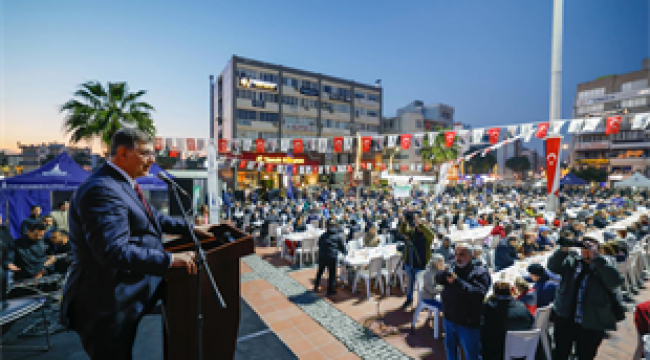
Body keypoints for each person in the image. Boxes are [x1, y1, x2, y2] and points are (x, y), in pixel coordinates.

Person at [60, 128, 201, 360]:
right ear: (123, 153)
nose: (152, 160)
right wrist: (170, 259)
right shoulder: (102, 189)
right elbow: (113, 251)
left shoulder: (123, 183)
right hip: (105, 302)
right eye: (146, 153)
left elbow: (153, 218)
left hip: (121, 296)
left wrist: (192, 229)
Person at [547, 232, 624, 360]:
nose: (585, 251)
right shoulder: (573, 261)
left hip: (592, 320)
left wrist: (596, 259)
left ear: (599, 248)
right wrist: (563, 250)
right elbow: (553, 267)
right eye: (583, 247)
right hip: (566, 318)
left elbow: (615, 281)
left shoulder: (605, 264)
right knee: (560, 353)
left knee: (586, 355)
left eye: (590, 247)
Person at [436, 243, 491, 360]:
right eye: (456, 254)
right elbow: (439, 279)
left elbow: (478, 295)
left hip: (467, 323)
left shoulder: (480, 273)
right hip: (449, 319)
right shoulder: (452, 266)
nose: (457, 258)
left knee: (471, 354)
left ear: (470, 256)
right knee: (451, 350)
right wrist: (442, 274)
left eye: (461, 255)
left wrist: (457, 282)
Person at [481, 281, 534, 360]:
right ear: (511, 290)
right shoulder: (521, 306)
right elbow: (531, 321)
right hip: (525, 349)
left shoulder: (490, 310)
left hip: (500, 352)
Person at [399, 214, 435, 309]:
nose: (418, 225)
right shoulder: (412, 233)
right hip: (409, 264)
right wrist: (404, 222)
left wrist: (422, 225)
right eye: (418, 223)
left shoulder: (427, 236)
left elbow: (432, 236)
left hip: (420, 265)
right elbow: (402, 231)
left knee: (421, 287)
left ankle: (422, 303)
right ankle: (409, 299)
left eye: (422, 224)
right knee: (409, 285)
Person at [314, 219, 346, 296]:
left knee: (320, 272)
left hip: (322, 256)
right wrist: (345, 253)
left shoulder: (323, 235)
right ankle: (330, 290)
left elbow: (318, 244)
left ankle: (316, 286)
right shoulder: (338, 236)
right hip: (332, 256)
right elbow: (342, 248)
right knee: (332, 274)